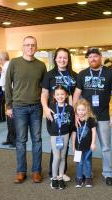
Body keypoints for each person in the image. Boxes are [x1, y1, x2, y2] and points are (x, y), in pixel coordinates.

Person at [73, 47, 112, 186]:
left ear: (100, 57)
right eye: (90, 57)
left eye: (95, 56)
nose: (92, 59)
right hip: (85, 118)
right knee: (82, 145)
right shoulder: (82, 74)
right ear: (87, 59)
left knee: (106, 146)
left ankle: (108, 173)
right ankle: (84, 172)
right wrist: (75, 113)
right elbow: (76, 94)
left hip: (103, 116)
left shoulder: (110, 73)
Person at [5, 36, 47, 184]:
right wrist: (8, 105)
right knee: (21, 141)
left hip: (36, 107)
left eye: (33, 45)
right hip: (19, 107)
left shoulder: (41, 66)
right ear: (23, 47)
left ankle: (36, 171)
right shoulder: (14, 63)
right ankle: (21, 171)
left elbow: (44, 88)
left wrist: (45, 105)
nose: (30, 47)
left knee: (37, 140)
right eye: (27, 45)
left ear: (36, 47)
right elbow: (7, 84)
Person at [41, 47, 77, 181]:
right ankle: (53, 172)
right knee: (56, 143)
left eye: (65, 58)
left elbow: (77, 95)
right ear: (55, 58)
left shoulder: (74, 75)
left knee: (65, 142)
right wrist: (45, 107)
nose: (62, 60)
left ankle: (62, 172)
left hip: (68, 112)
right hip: (53, 113)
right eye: (60, 57)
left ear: (68, 60)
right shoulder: (49, 74)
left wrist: (77, 112)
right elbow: (44, 93)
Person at [46, 85, 75, 189]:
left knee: (63, 157)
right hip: (55, 135)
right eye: (58, 94)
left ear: (66, 95)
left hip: (65, 134)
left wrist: (68, 132)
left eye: (62, 94)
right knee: (57, 156)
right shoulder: (51, 108)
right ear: (54, 96)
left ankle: (61, 177)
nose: (60, 96)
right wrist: (51, 133)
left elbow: (72, 123)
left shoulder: (70, 108)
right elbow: (48, 122)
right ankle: (54, 178)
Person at [72, 99, 97, 188]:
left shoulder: (90, 120)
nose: (81, 112)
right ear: (76, 110)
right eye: (79, 110)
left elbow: (94, 132)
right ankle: (79, 178)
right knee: (79, 162)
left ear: (87, 109)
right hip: (78, 147)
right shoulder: (76, 121)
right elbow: (74, 134)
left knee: (87, 162)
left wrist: (93, 143)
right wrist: (73, 147)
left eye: (83, 110)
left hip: (88, 146)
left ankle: (88, 178)